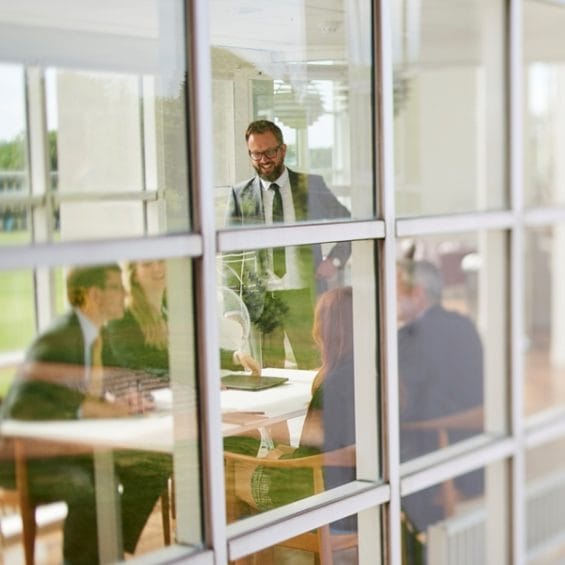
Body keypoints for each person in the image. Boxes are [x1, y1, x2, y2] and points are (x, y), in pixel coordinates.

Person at [0, 264, 171, 564]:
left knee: (154, 462)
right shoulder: (59, 337)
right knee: (92, 486)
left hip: (70, 447)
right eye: (117, 287)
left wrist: (131, 393)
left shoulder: (96, 333)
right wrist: (88, 408)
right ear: (95, 295)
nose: (125, 294)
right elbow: (20, 408)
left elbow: (119, 375)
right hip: (24, 457)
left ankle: (112, 552)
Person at [226, 286, 356, 533]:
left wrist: (252, 429)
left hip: (311, 493)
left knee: (230, 467)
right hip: (353, 493)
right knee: (268, 454)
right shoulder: (370, 373)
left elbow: (320, 437)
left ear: (326, 330)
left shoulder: (334, 385)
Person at [226, 120, 351, 370]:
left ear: (282, 150)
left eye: (269, 152)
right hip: (262, 303)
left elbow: (348, 223)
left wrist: (334, 261)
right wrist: (234, 306)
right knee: (267, 373)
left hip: (303, 296)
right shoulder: (240, 194)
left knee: (314, 368)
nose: (263, 160)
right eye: (256, 154)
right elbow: (232, 253)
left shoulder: (310, 186)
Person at [396, 259, 484, 557]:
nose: (390, 299)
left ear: (417, 294)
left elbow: (404, 408)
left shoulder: (410, 338)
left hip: (436, 461)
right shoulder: (464, 325)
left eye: (395, 291)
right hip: (475, 455)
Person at [105, 260, 260, 389]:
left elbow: (192, 355)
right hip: (152, 403)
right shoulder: (122, 319)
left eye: (161, 261)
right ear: (134, 275)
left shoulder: (167, 312)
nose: (157, 268)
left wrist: (234, 357)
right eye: (147, 264)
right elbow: (137, 370)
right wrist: (194, 382)